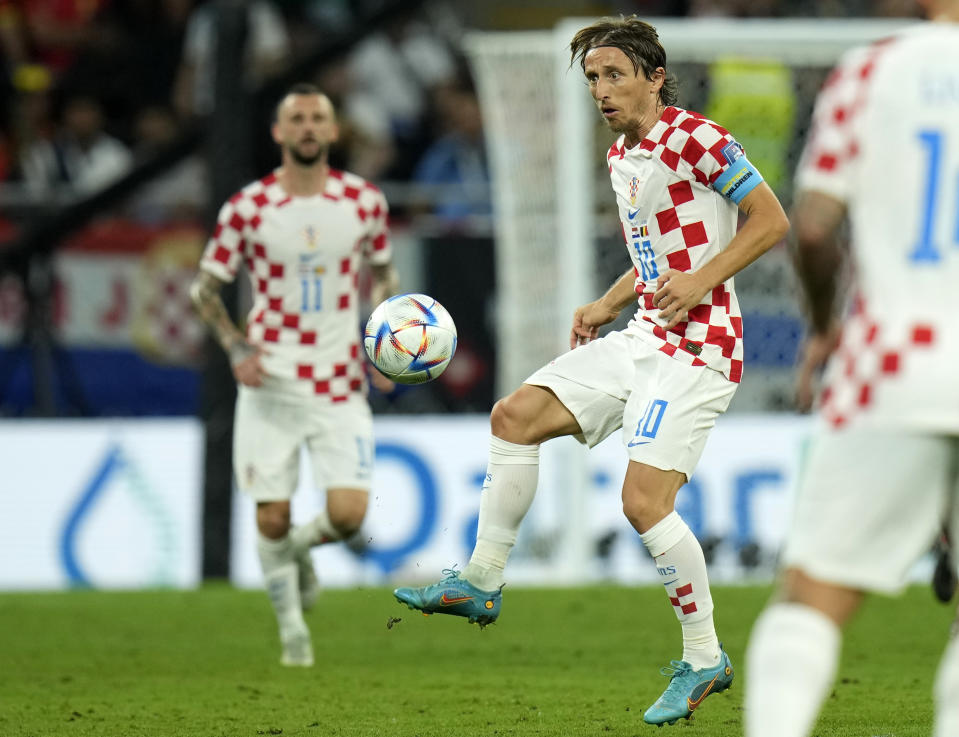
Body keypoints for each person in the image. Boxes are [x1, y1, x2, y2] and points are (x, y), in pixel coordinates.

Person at [394, 16, 789, 725]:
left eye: (612, 75)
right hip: (643, 334)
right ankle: (481, 579)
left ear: (653, 76)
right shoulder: (621, 155)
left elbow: (769, 219)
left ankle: (704, 658)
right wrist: (607, 300)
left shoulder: (697, 137)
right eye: (591, 81)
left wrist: (701, 280)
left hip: (700, 346)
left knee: (642, 503)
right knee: (512, 415)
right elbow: (652, 257)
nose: (600, 92)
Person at [743, 4, 959, 736]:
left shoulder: (872, 69)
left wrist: (827, 326)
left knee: (813, 595)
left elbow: (810, 224)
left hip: (894, 360)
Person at [190, 83, 398, 667]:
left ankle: (300, 555)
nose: (308, 127)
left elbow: (383, 274)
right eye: (297, 119)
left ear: (334, 132)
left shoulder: (364, 202)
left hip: (338, 381)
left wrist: (384, 345)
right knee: (272, 514)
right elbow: (205, 289)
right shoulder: (248, 207)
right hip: (270, 381)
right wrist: (235, 349)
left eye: (318, 118)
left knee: (349, 515)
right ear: (278, 133)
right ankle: (292, 634)